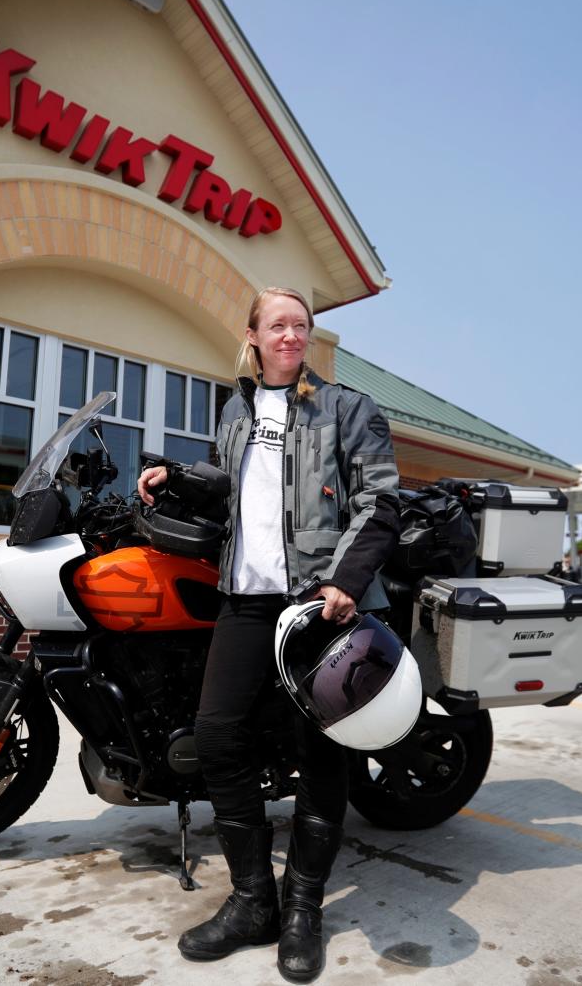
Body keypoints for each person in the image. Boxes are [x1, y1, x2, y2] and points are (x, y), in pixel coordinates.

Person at [137, 286, 401, 983]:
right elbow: (231, 486)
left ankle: (303, 908)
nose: (290, 335)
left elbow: (380, 498)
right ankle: (255, 901)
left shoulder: (346, 408)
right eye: (277, 324)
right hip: (246, 599)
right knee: (219, 736)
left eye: (300, 325)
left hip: (318, 605)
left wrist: (344, 581)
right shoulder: (237, 409)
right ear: (252, 335)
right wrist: (179, 478)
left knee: (317, 751)